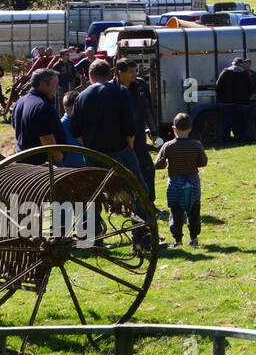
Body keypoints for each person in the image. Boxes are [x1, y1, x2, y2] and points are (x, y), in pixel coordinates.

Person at [71, 59, 138, 178]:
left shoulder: (81, 97)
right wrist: (130, 146)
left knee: (98, 189)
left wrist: (89, 143)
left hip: (93, 152)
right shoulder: (121, 91)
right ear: (109, 74)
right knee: (135, 187)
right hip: (120, 150)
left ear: (90, 75)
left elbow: (75, 130)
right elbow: (129, 124)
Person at [155, 112, 208, 248]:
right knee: (194, 212)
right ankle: (194, 238)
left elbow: (157, 164)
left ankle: (177, 240)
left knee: (176, 213)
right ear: (191, 128)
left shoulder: (168, 146)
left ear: (174, 128)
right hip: (193, 183)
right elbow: (203, 162)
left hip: (175, 185)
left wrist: (165, 163)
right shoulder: (196, 145)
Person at [115, 58, 161, 208]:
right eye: (131, 72)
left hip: (139, 139)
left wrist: (153, 132)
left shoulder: (141, 85)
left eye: (135, 71)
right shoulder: (111, 89)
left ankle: (149, 203)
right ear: (120, 73)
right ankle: (121, 204)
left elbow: (147, 110)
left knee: (148, 170)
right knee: (120, 174)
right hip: (119, 142)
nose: (135, 74)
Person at [11, 68, 64, 163]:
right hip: (41, 166)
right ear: (42, 84)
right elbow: (46, 137)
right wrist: (58, 156)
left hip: (23, 159)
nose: (58, 87)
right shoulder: (42, 106)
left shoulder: (21, 101)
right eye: (55, 84)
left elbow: (15, 126)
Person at [214, 58, 253, 144]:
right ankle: (239, 138)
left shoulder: (225, 72)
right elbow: (250, 88)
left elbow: (218, 86)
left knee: (226, 121)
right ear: (241, 64)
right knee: (240, 121)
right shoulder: (244, 74)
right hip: (242, 103)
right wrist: (246, 97)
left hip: (226, 102)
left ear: (233, 64)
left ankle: (226, 139)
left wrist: (221, 97)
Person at [58, 90, 87, 167]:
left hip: (85, 164)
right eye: (67, 110)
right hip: (68, 166)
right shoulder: (62, 124)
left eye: (72, 109)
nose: (70, 113)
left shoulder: (84, 120)